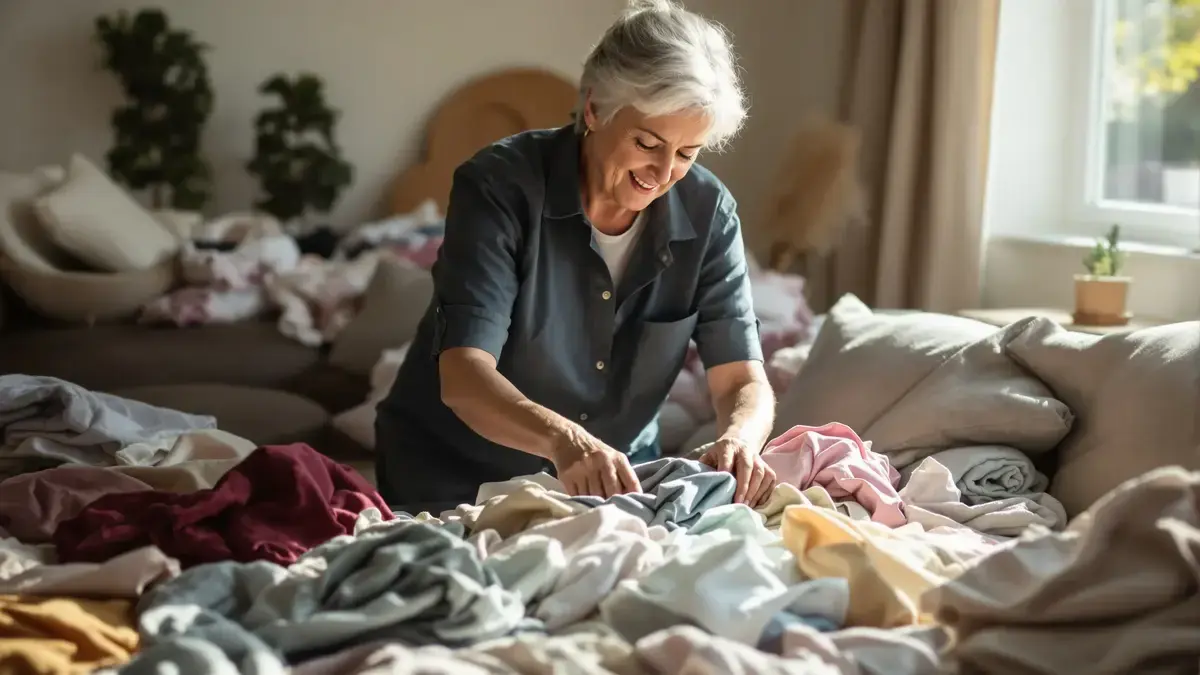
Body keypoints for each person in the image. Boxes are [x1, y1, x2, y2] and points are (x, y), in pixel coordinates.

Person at [375, 0, 777, 516]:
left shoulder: (710, 213)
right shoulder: (499, 187)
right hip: (456, 479)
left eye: (686, 153)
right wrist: (567, 442)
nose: (662, 174)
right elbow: (465, 375)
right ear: (593, 109)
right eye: (647, 143)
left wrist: (740, 439)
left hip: (617, 487)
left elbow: (741, 378)